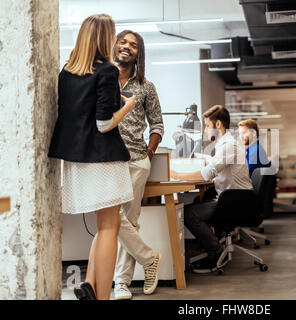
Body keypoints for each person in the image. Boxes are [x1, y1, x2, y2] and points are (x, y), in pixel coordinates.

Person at [48, 14, 136, 300]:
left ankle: (90, 286)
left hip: (76, 160)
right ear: (104, 38)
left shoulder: (66, 72)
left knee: (103, 226)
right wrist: (129, 105)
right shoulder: (107, 71)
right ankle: (103, 297)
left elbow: (79, 115)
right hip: (103, 159)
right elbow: (104, 123)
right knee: (110, 227)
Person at [112, 30, 165, 300]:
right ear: (115, 45)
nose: (127, 47)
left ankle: (120, 284)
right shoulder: (101, 80)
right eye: (123, 42)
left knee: (129, 221)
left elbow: (157, 124)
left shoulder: (146, 86)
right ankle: (149, 258)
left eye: (133, 45)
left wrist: (150, 152)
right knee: (111, 215)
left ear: (138, 53)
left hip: (135, 159)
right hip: (105, 160)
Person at [170, 105, 253, 269]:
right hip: (234, 197)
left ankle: (214, 252)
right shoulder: (227, 143)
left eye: (207, 125)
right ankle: (212, 244)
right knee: (199, 199)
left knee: (188, 213)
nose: (206, 130)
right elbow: (214, 163)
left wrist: (178, 175)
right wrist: (200, 158)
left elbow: (207, 173)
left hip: (235, 201)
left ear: (219, 125)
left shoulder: (229, 145)